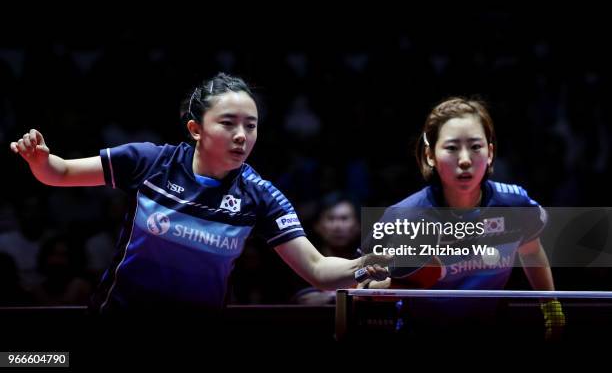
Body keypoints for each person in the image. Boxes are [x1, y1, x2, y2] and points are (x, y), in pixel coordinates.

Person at [10, 72, 389, 314]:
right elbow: (59, 174)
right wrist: (40, 161)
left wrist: (365, 265)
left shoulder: (260, 195)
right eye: (228, 123)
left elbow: (319, 271)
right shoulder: (149, 162)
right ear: (195, 129)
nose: (242, 135)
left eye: (251, 126)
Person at [362, 96, 565, 340]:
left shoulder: (514, 204)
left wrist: (550, 305)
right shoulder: (403, 217)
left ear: (490, 153)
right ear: (430, 155)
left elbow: (531, 251)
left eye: (476, 146)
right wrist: (394, 284)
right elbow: (360, 282)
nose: (465, 159)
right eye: (451, 148)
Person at [292, 192, 361, 305]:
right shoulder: (303, 259)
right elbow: (306, 299)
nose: (337, 226)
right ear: (318, 226)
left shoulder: (366, 259)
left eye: (344, 219)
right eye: (330, 218)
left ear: (358, 226)